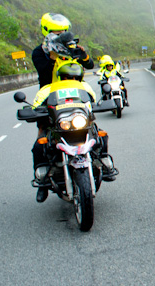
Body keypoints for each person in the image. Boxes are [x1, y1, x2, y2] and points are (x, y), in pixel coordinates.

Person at [30, 62, 118, 202]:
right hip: (58, 126)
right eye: (67, 77)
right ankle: (42, 183)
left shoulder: (85, 87)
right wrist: (35, 112)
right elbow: (35, 106)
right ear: (61, 78)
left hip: (82, 124)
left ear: (80, 78)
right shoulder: (48, 89)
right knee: (39, 146)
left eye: (75, 78)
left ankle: (104, 165)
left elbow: (93, 104)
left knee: (102, 136)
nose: (71, 80)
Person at [31, 13, 94, 88]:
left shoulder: (70, 47)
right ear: (47, 31)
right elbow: (44, 74)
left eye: (63, 31)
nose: (61, 34)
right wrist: (52, 58)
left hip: (74, 89)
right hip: (51, 93)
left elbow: (90, 65)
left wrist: (84, 56)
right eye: (57, 32)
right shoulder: (40, 51)